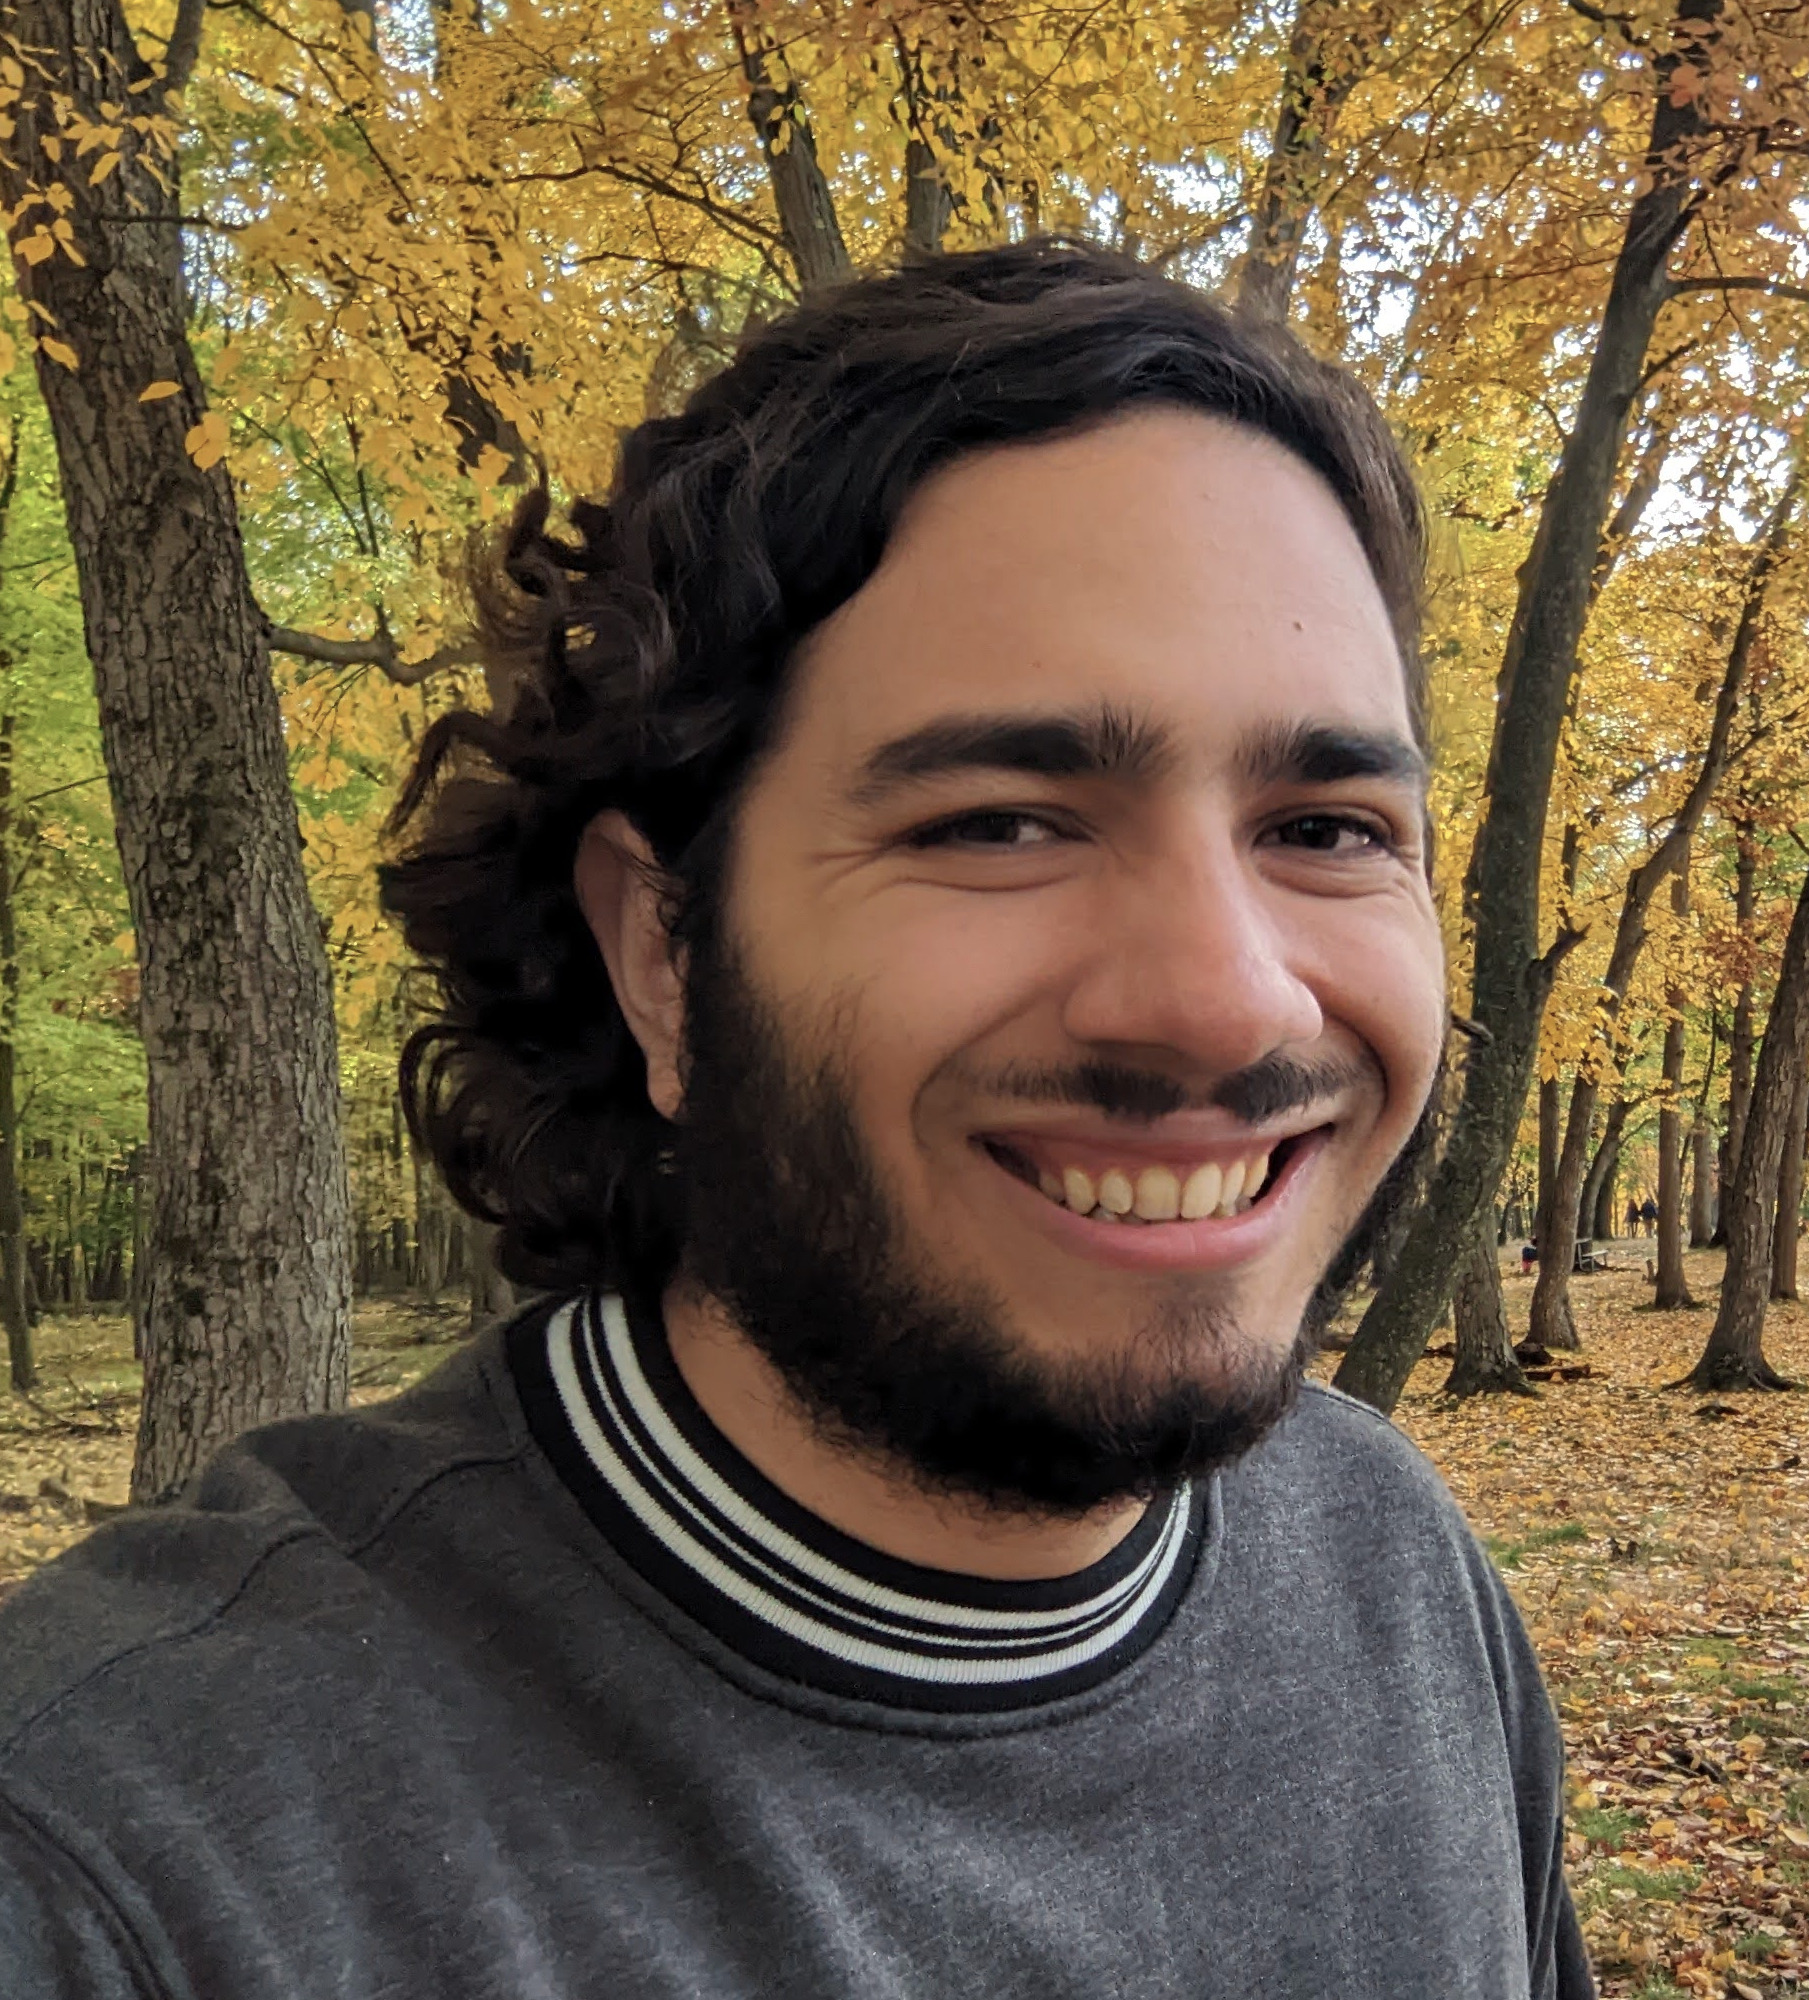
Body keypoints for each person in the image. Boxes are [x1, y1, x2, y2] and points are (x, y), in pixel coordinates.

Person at [0, 244, 1593, 1997]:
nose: (1231, 1000)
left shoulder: (1394, 1574)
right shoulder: (123, 1859)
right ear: (662, 955)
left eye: (1329, 829)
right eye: (999, 822)